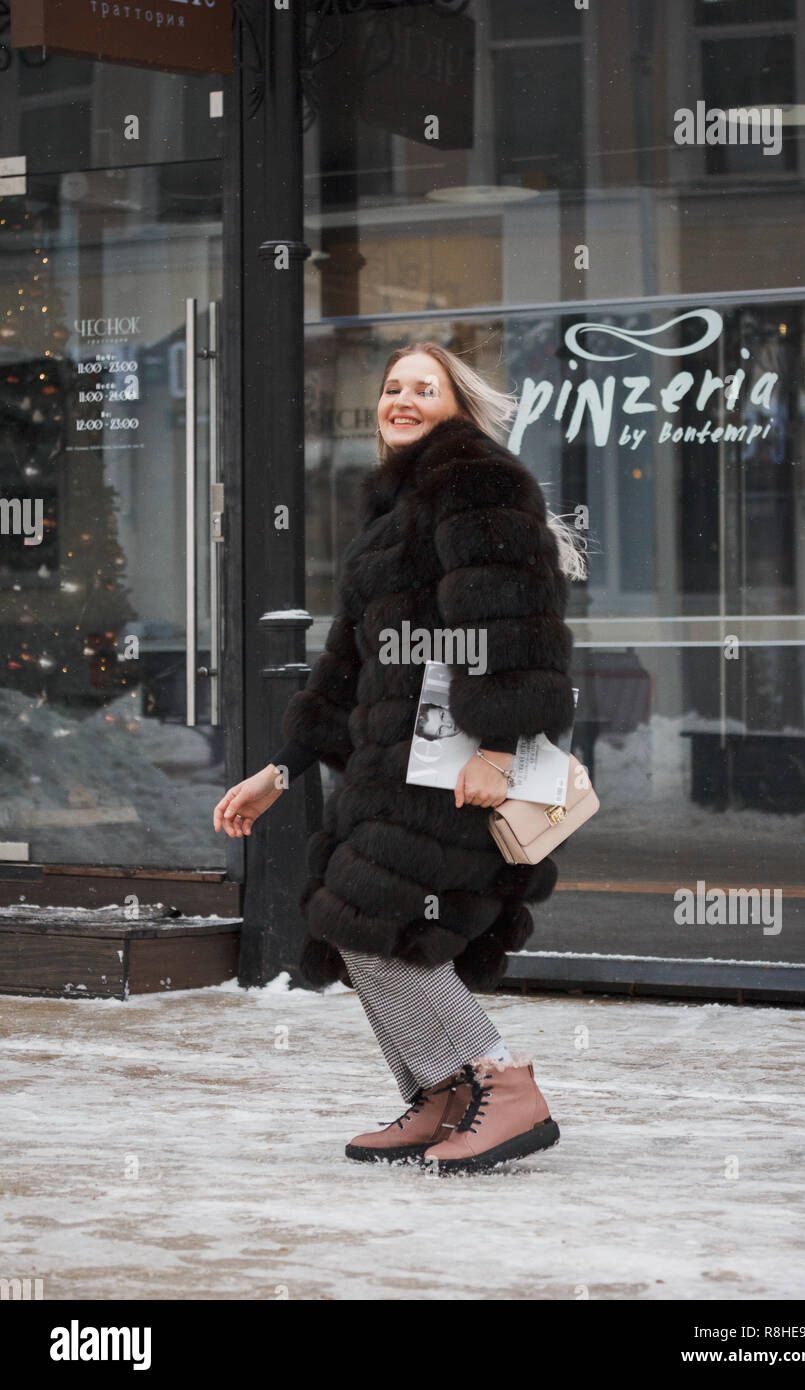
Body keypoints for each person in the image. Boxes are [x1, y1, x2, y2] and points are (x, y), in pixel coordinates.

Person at [213, 342, 586, 1175]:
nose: (403, 399)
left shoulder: (474, 481)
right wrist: (282, 768)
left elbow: (516, 621)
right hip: (394, 762)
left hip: (452, 759)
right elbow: (346, 658)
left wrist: (498, 748)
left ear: (458, 404)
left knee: (376, 922)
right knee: (359, 927)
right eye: (392, 388)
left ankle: (501, 1082)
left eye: (426, 387)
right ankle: (443, 1095)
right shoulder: (398, 502)